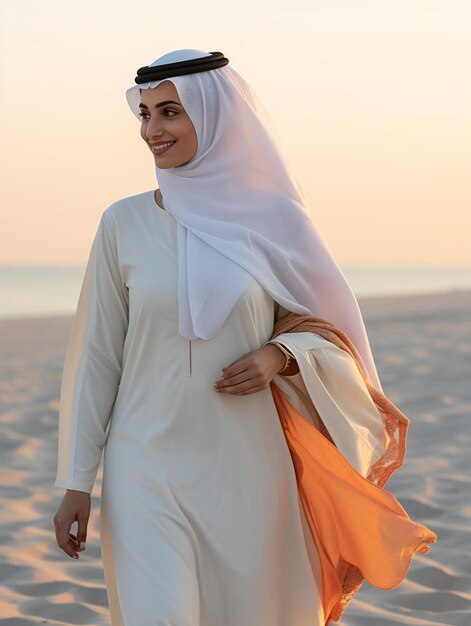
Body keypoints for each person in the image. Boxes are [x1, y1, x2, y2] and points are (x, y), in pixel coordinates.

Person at [52, 49, 434, 626]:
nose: (152, 130)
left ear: (214, 117)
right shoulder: (122, 224)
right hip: (143, 466)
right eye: (146, 114)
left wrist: (279, 355)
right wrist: (76, 481)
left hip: (249, 471)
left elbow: (335, 338)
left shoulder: (275, 222)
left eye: (170, 113)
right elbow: (96, 357)